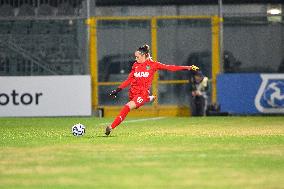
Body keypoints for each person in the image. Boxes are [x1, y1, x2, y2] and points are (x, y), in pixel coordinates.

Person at [105, 44, 199, 135]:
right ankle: (149, 98)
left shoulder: (153, 65)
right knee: (134, 106)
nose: (135, 59)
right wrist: (117, 90)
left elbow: (171, 68)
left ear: (144, 55)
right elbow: (129, 79)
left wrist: (188, 67)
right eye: (135, 57)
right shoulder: (135, 65)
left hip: (142, 94)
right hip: (133, 92)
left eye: (137, 57)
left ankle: (111, 127)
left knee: (127, 107)